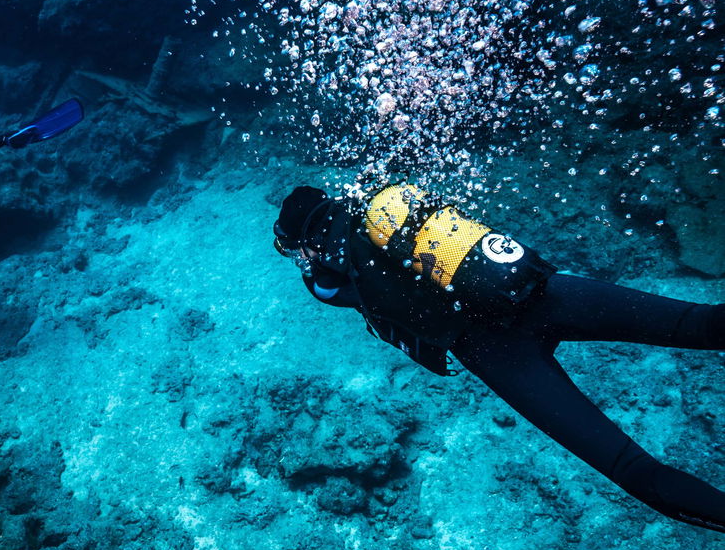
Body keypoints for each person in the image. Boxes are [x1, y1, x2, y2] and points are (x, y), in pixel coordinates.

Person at [273, 183, 725, 532]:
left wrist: (310, 257)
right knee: (703, 324)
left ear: (307, 241)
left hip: (498, 353)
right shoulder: (385, 205)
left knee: (634, 469)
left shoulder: (330, 275)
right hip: (544, 293)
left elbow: (324, 287)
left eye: (297, 252)